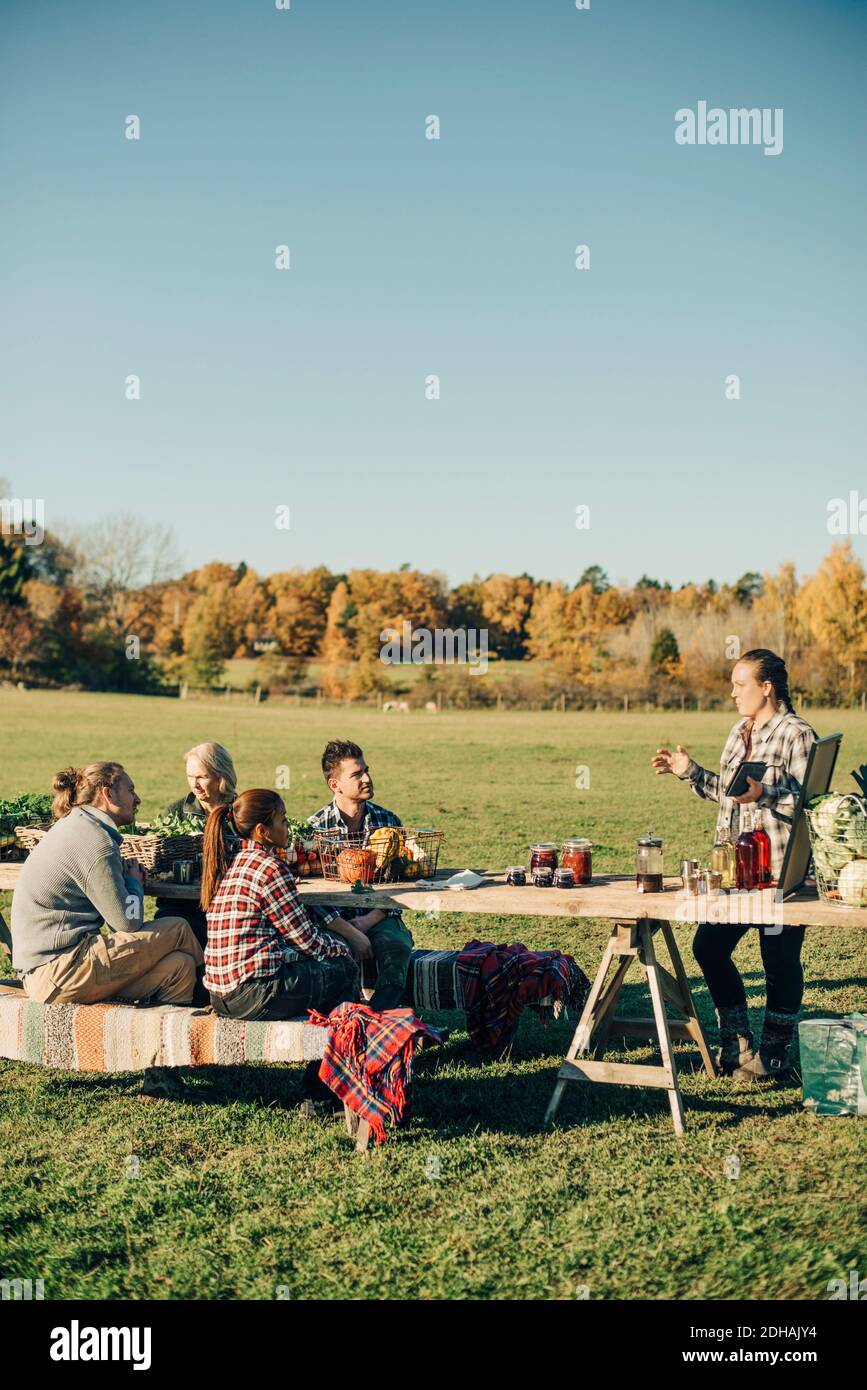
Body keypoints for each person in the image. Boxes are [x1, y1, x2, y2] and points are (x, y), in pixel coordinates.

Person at [652, 649, 818, 1080]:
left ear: (767, 687)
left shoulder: (797, 734)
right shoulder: (739, 731)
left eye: (740, 684)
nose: (732, 693)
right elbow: (728, 792)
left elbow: (809, 802)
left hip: (781, 872)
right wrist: (689, 772)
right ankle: (738, 1043)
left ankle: (776, 1055)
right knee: (709, 947)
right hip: (735, 872)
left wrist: (764, 793)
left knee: (778, 957)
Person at [200, 789, 363, 1111]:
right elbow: (306, 939)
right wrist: (342, 949)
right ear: (263, 831)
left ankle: (329, 1081)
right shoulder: (270, 868)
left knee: (323, 970)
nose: (288, 827)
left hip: (221, 995)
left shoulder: (234, 862)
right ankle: (320, 1092)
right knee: (343, 973)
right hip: (252, 994)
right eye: (283, 821)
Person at [11, 763, 203, 1007]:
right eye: (131, 790)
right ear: (108, 793)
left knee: (180, 967)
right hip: (60, 970)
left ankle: (170, 1032)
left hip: (48, 974)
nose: (138, 799)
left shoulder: (77, 825)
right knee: (178, 929)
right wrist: (133, 883)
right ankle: (218, 997)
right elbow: (127, 923)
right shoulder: (95, 842)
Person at [306, 740, 414, 1011]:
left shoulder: (388, 821)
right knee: (337, 955)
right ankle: (346, 1020)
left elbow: (399, 883)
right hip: (333, 922)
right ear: (335, 785)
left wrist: (368, 921)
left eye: (366, 770)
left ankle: (379, 1019)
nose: (367, 778)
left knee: (397, 947)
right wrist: (348, 929)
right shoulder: (315, 829)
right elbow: (311, 895)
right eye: (357, 774)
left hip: (380, 915)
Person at [154, 742, 238, 951]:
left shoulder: (242, 812)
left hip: (230, 906)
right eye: (190, 776)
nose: (195, 784)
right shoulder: (176, 812)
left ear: (222, 776)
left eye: (202, 777)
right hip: (182, 905)